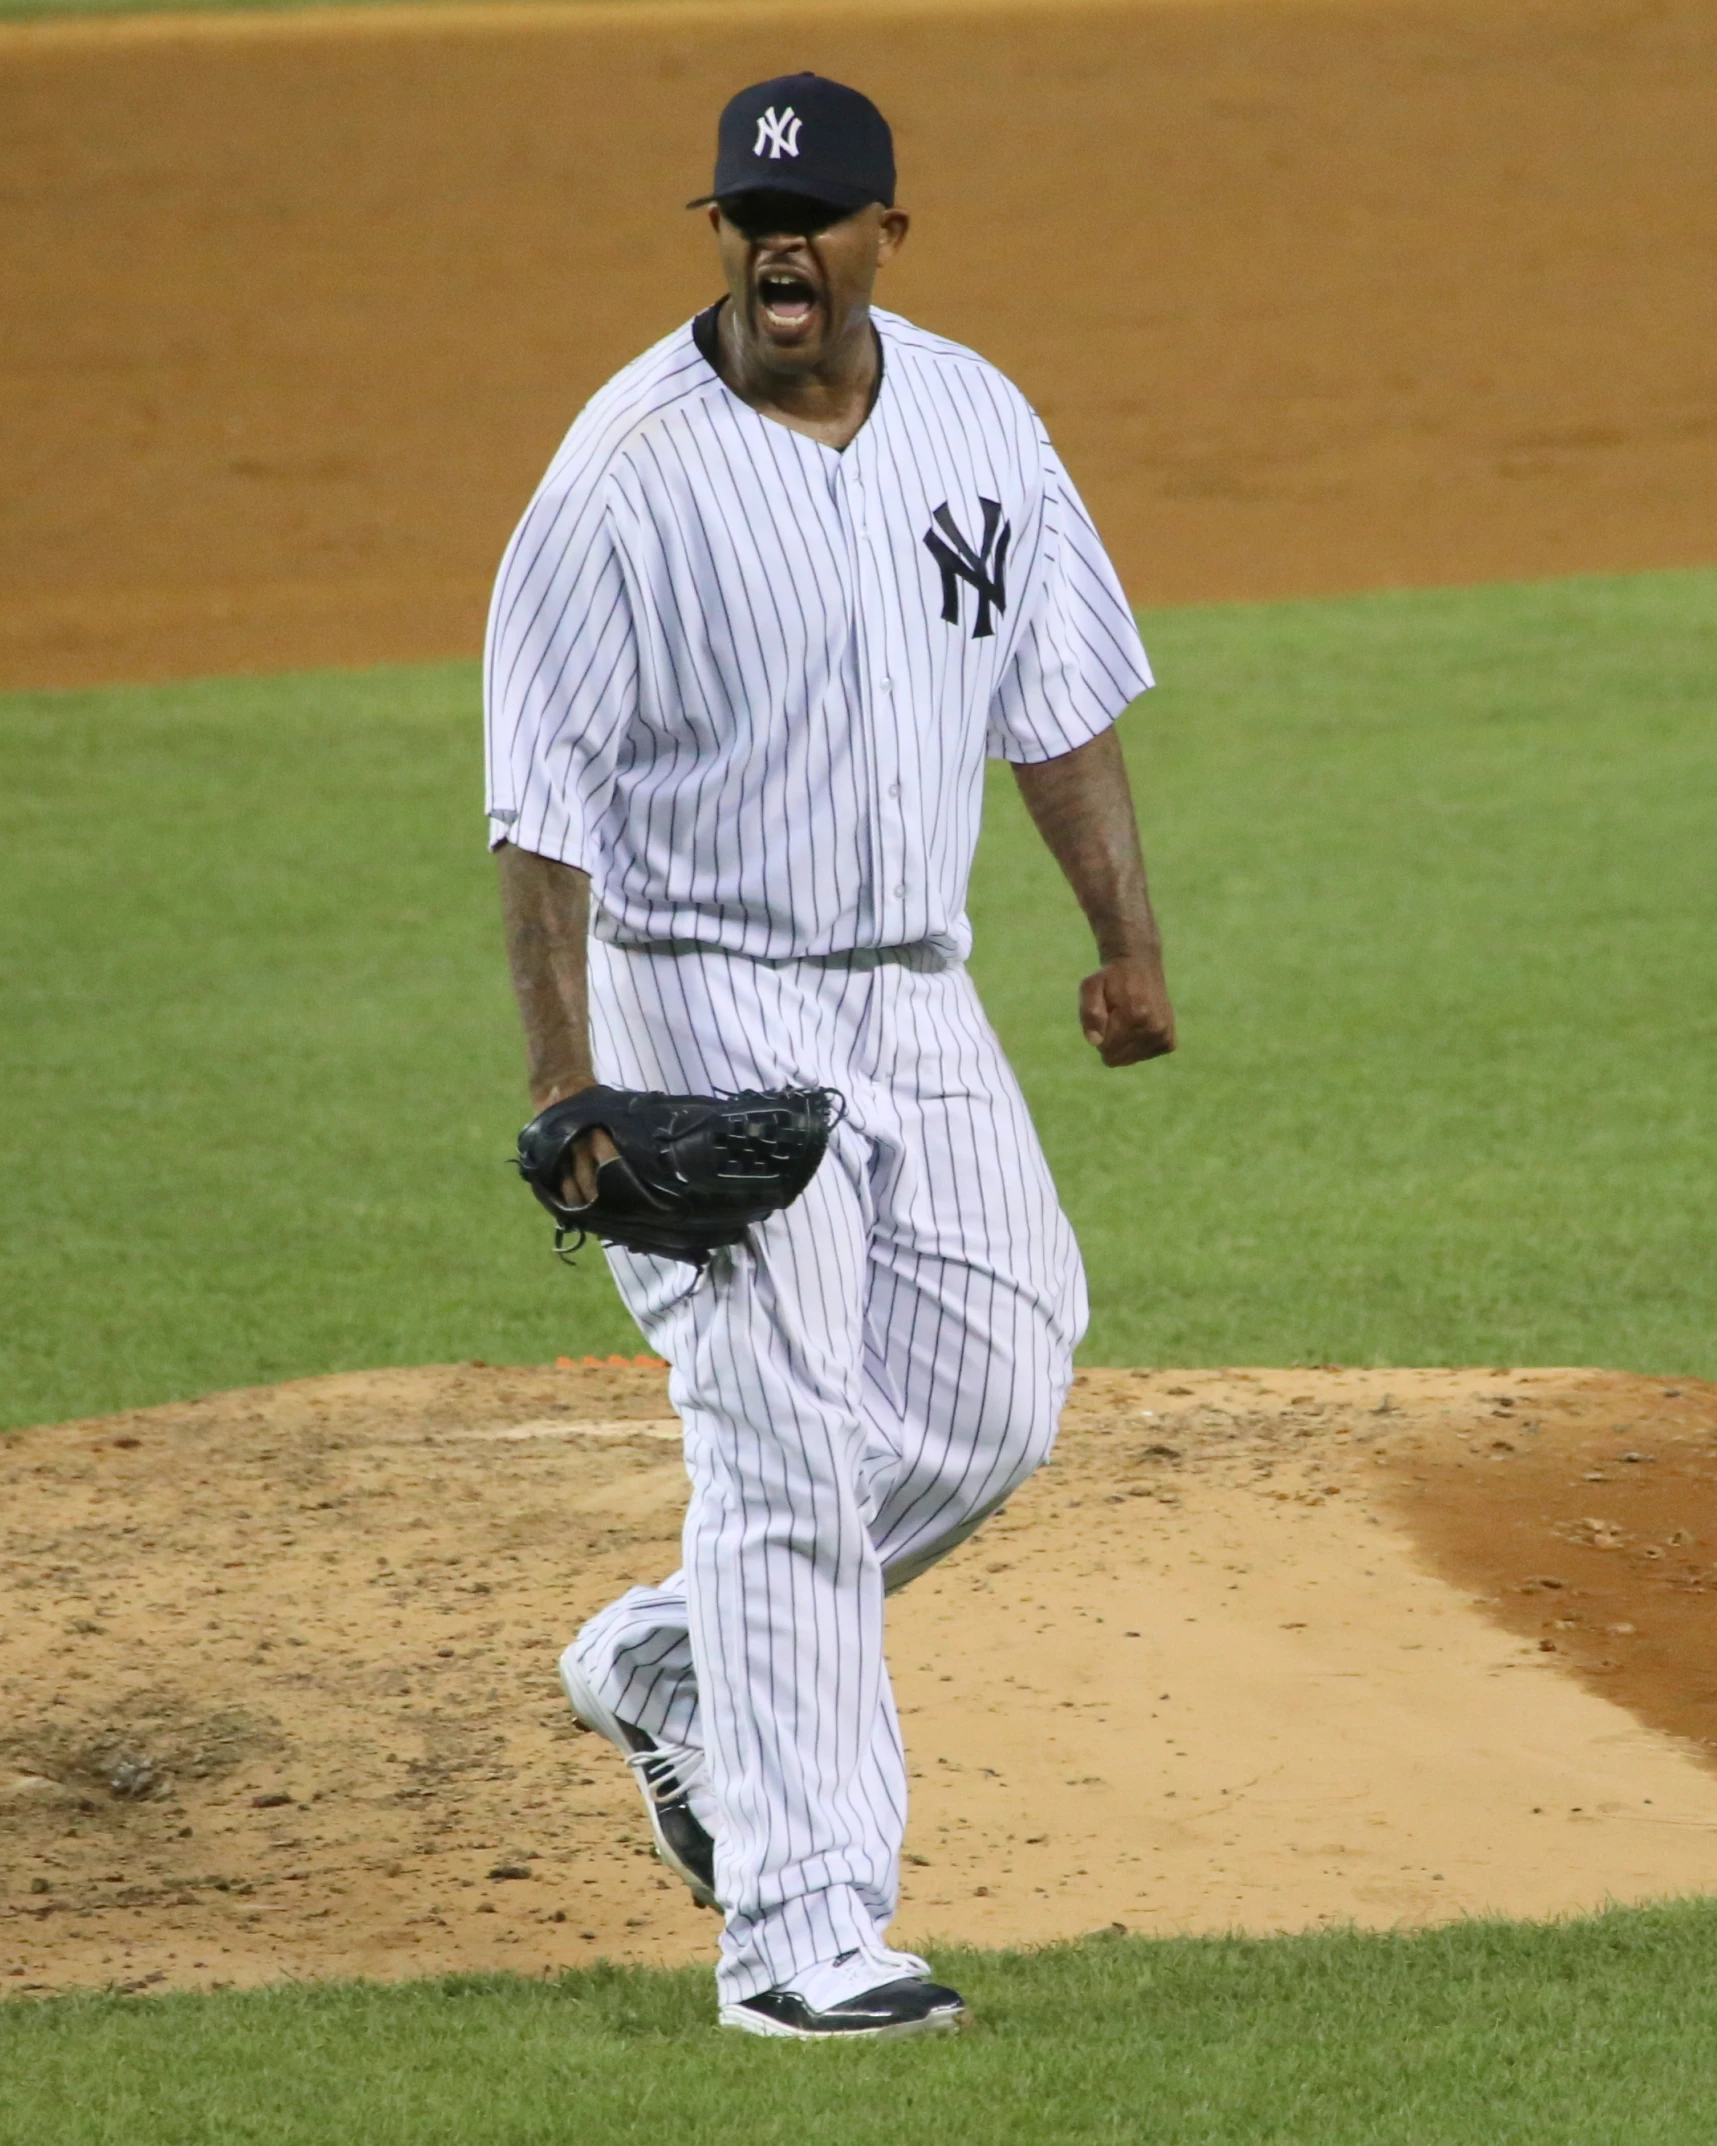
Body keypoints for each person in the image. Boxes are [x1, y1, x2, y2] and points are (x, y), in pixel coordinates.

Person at [484, 71, 1174, 2040]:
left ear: (888, 231)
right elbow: (538, 805)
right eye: (746, 220)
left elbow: (1059, 695)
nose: (781, 250)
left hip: (913, 991)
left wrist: (1124, 937)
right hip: (698, 995)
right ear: (715, 233)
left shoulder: (977, 418)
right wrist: (568, 1082)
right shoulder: (626, 472)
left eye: (819, 219)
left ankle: (685, 1659)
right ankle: (798, 1932)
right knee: (783, 1443)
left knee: (988, 1388)